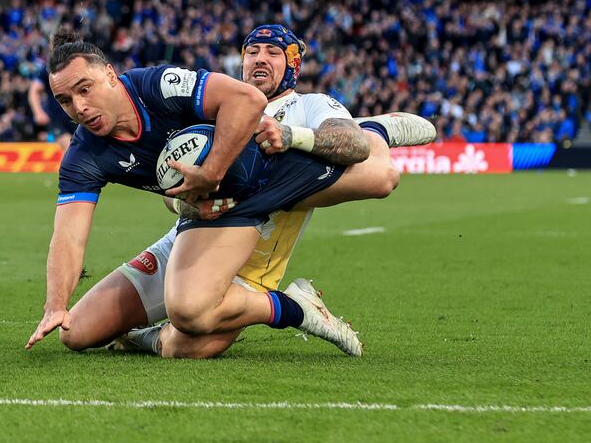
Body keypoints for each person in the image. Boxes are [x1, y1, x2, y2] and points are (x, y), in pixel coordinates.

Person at [25, 28, 435, 357]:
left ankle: (376, 127)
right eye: (64, 100)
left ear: (111, 75)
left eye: (85, 89)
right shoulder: (83, 154)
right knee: (79, 334)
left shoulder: (165, 87)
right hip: (198, 223)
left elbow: (253, 107)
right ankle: (151, 333)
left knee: (379, 175)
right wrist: (55, 304)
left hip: (252, 206)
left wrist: (228, 165)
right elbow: (69, 234)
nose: (78, 107)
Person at [28, 65, 77, 150]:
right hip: (57, 118)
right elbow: (34, 90)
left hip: (78, 114)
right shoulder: (48, 66)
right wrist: (38, 112)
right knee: (70, 149)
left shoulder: (77, 62)